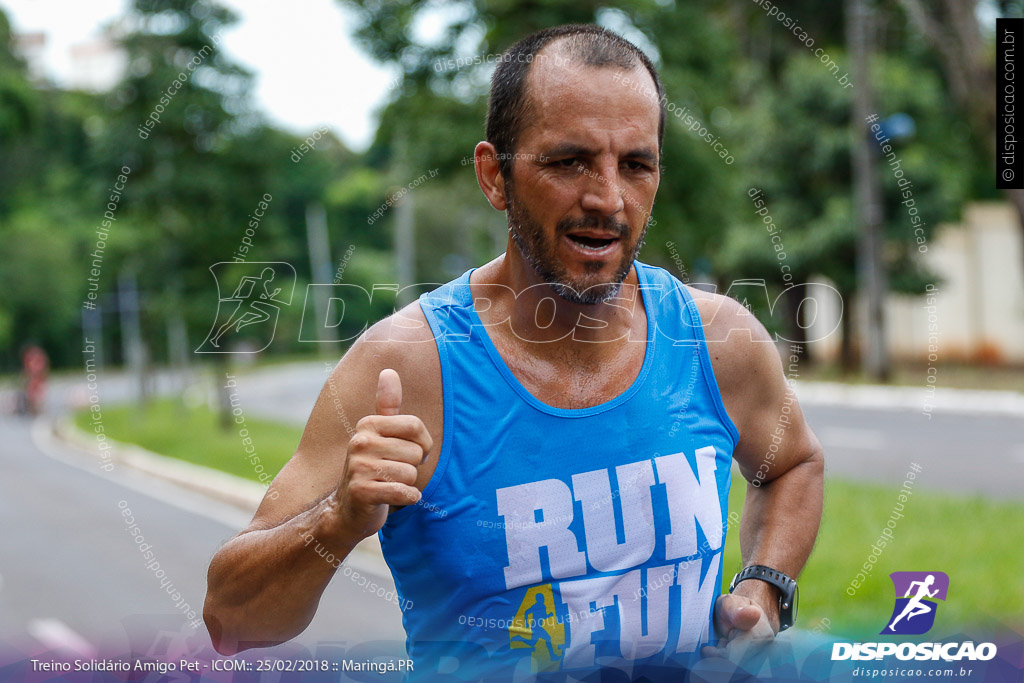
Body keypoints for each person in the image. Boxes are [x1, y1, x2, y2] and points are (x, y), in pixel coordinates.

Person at [204, 24, 824, 679]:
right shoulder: (406, 367)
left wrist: (764, 586)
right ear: (495, 176)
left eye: (635, 164)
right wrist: (338, 520)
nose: (608, 198)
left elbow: (794, 463)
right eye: (569, 161)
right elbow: (229, 618)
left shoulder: (713, 340)